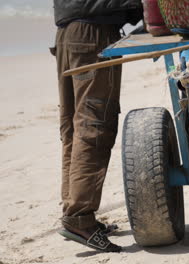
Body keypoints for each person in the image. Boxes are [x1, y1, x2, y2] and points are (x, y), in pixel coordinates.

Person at [51, 0, 143, 252]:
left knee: (73, 126)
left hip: (67, 32)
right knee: (95, 125)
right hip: (93, 32)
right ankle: (79, 217)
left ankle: (75, 210)